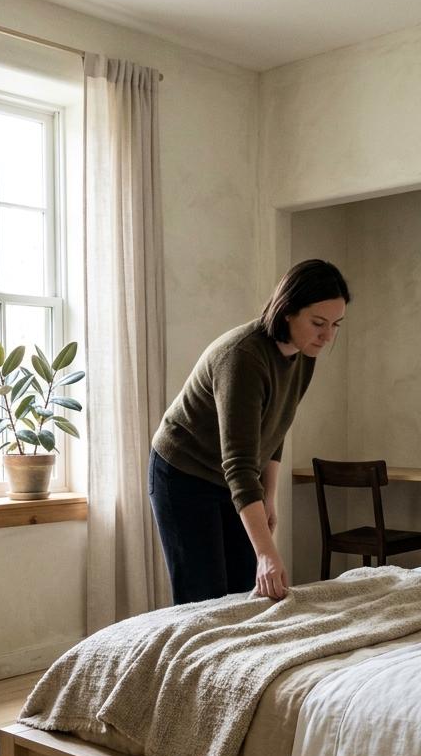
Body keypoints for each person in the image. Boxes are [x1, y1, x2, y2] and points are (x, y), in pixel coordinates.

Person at [149, 259, 350, 605]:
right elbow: (239, 464)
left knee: (246, 593)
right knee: (206, 599)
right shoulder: (242, 357)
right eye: (318, 323)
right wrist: (268, 554)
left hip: (234, 477)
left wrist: (269, 497)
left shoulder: (304, 355)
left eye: (335, 325)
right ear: (288, 311)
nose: (327, 336)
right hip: (184, 474)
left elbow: (277, 426)